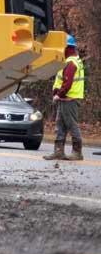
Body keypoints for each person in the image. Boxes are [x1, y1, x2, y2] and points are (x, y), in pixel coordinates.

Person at [43, 33, 85, 161]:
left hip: (69, 99)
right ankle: (58, 151)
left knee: (72, 125)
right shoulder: (71, 60)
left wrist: (58, 94)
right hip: (65, 99)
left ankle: (77, 152)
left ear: (67, 48)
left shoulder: (71, 63)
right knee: (60, 125)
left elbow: (67, 83)